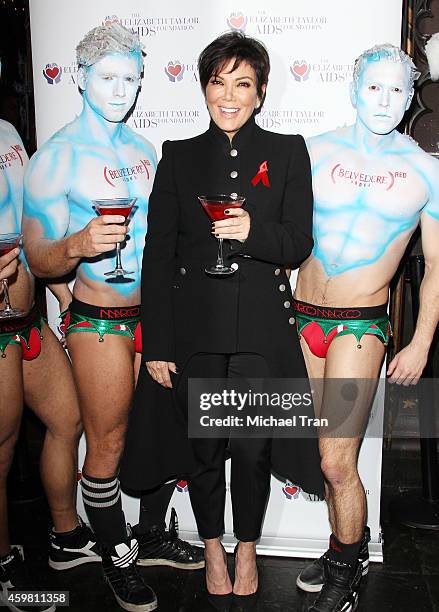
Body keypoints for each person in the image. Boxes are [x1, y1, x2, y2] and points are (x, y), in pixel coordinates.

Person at [119, 31, 324, 612]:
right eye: (217, 83)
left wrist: (251, 233)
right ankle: (212, 547)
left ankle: (248, 547)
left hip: (260, 333)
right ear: (204, 89)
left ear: (260, 94)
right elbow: (156, 255)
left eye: (242, 84)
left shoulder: (288, 151)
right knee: (205, 449)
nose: (228, 96)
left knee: (254, 449)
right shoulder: (178, 156)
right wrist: (157, 341)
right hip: (196, 331)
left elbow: (297, 242)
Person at [23, 23, 202, 612]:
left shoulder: (143, 151)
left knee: (154, 437)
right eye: (107, 77)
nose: (121, 89)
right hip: (99, 319)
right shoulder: (57, 156)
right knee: (107, 444)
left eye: (131, 77)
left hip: (158, 317)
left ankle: (147, 535)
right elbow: (36, 254)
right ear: (80, 78)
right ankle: (116, 559)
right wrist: (76, 244)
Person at [294, 44, 439, 611]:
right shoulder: (310, 151)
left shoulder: (427, 171)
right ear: (353, 90)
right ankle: (340, 549)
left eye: (396, 90)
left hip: (360, 326)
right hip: (301, 318)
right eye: (374, 87)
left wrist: (421, 340)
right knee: (324, 456)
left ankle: (348, 571)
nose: (384, 100)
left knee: (336, 459)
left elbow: (435, 273)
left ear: (410, 99)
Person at [0, 114, 100, 612]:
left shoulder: (8, 133)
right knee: (1, 449)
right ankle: (3, 565)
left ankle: (65, 537)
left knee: (68, 419)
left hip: (27, 317)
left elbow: (30, 224)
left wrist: (60, 289)